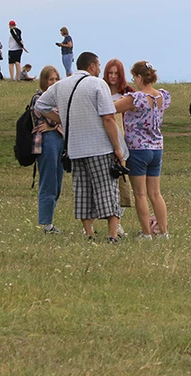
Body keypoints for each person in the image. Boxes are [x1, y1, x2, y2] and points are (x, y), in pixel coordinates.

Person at [34, 52, 125, 242]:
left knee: (82, 190)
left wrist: (62, 120)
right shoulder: (97, 84)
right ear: (92, 66)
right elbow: (108, 117)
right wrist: (117, 147)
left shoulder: (61, 85)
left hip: (75, 148)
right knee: (107, 188)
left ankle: (89, 232)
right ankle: (112, 234)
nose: (99, 69)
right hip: (99, 146)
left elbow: (41, 105)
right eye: (98, 65)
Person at [114, 62, 171, 239]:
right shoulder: (162, 96)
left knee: (140, 194)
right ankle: (163, 231)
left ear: (139, 77)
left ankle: (146, 233)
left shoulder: (136, 98)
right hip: (156, 147)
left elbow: (112, 108)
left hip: (138, 149)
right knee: (155, 193)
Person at [31, 65, 65, 234]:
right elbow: (53, 119)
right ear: (44, 81)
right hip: (47, 143)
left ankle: (49, 221)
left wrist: (56, 124)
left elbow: (58, 120)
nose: (53, 82)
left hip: (59, 140)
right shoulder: (39, 98)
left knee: (58, 182)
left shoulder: (60, 99)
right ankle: (46, 224)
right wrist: (58, 123)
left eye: (56, 79)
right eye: (50, 79)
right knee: (49, 181)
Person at [104, 58, 135, 225]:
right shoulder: (101, 89)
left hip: (123, 139)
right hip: (103, 138)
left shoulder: (128, 92)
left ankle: (118, 220)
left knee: (121, 180)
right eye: (110, 73)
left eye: (116, 73)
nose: (113, 76)